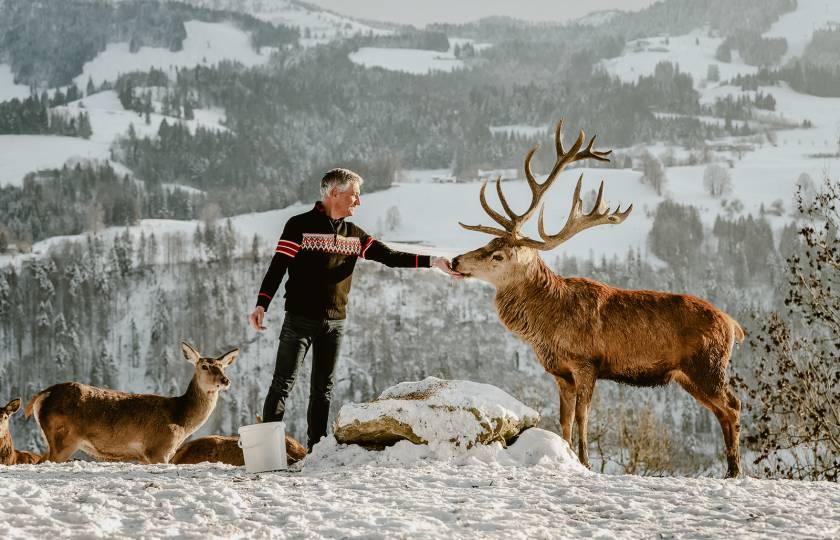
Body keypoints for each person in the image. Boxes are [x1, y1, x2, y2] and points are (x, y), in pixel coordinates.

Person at [249, 168, 459, 450]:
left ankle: (316, 450)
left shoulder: (354, 235)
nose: (359, 201)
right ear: (335, 193)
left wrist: (433, 262)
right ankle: (266, 453)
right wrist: (262, 304)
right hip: (299, 320)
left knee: (323, 390)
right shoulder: (299, 225)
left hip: (336, 323)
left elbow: (389, 256)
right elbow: (278, 267)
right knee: (282, 385)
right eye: (354, 195)